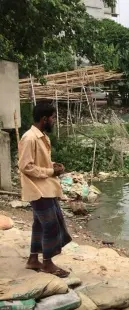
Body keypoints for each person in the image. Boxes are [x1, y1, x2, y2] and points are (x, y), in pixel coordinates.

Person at [19, 103, 71, 278]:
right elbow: (26, 166)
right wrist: (50, 171)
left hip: (45, 187)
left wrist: (53, 166)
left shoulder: (42, 137)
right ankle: (48, 263)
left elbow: (39, 162)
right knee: (50, 225)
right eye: (53, 118)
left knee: (40, 224)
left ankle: (33, 259)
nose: (54, 121)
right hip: (37, 189)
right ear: (44, 119)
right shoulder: (29, 138)